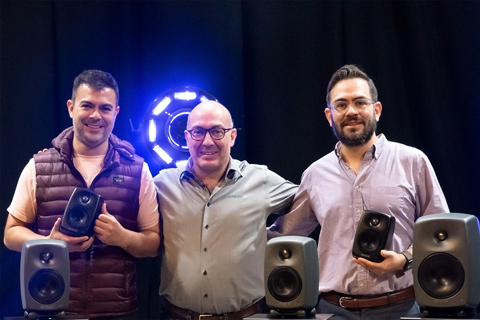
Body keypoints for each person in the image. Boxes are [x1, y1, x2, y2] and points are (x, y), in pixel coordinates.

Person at [268, 64, 450, 320]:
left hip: (401, 308)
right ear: (329, 115)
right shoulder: (314, 174)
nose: (351, 111)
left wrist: (405, 259)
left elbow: (442, 235)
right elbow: (282, 234)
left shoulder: (413, 162)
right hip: (332, 311)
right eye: (341, 105)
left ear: (376, 110)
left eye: (360, 102)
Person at [4, 69, 161, 319]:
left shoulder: (138, 170)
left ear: (116, 112)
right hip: (52, 309)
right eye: (87, 105)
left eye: (105, 108)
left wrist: (121, 237)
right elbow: (10, 235)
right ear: (71, 107)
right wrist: (51, 244)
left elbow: (153, 244)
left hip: (117, 312)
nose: (96, 115)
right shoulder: (39, 166)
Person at [153, 100, 298, 319]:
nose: (207, 141)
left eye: (217, 131)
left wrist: (276, 234)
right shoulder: (162, 186)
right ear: (187, 136)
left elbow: (311, 201)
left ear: (232, 136)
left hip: (245, 316)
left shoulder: (260, 180)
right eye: (198, 132)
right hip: (176, 315)